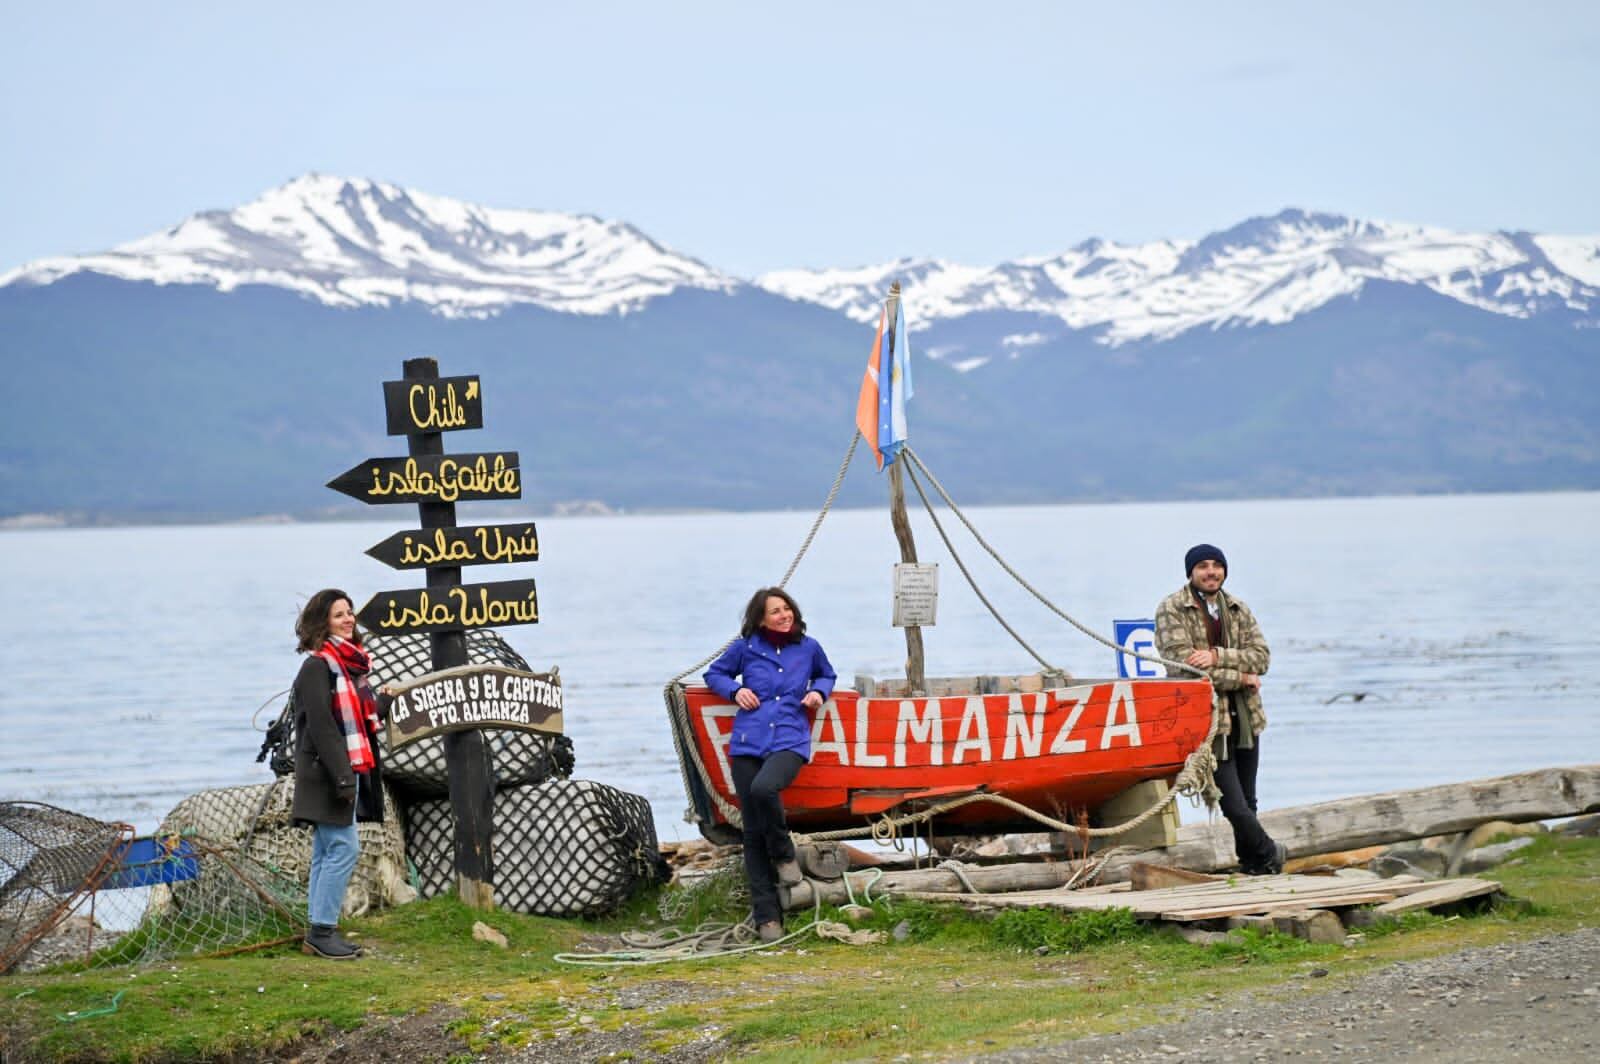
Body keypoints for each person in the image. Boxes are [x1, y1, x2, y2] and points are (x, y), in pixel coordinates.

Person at [704, 587, 836, 943]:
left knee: (765, 788)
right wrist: (734, 691)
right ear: (761, 619)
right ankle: (767, 918)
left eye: (787, 608)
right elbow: (714, 674)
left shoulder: (809, 647)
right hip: (748, 742)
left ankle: (784, 854)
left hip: (790, 739)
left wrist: (818, 693)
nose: (784, 615)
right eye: (776, 611)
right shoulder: (745, 648)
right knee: (751, 832)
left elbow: (828, 675)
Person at [1155, 545, 1286, 875]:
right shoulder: (1172, 609)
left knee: (1250, 801)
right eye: (1203, 566)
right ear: (1191, 572)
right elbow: (1184, 670)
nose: (1211, 571)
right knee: (1234, 804)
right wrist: (1242, 676)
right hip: (1208, 723)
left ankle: (1255, 864)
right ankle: (1272, 851)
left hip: (1246, 719)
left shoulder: (1237, 607)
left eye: (1216, 565)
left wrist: (1216, 656)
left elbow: (1262, 658)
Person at [291, 588, 386, 959]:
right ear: (321, 623)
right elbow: (322, 727)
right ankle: (322, 931)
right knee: (344, 848)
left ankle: (317, 930)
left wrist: (386, 702)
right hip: (328, 773)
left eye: (350, 612)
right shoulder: (318, 666)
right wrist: (344, 778)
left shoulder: (349, 665)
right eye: (338, 615)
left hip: (340, 769)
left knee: (327, 850)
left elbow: (358, 718)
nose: (348, 619)